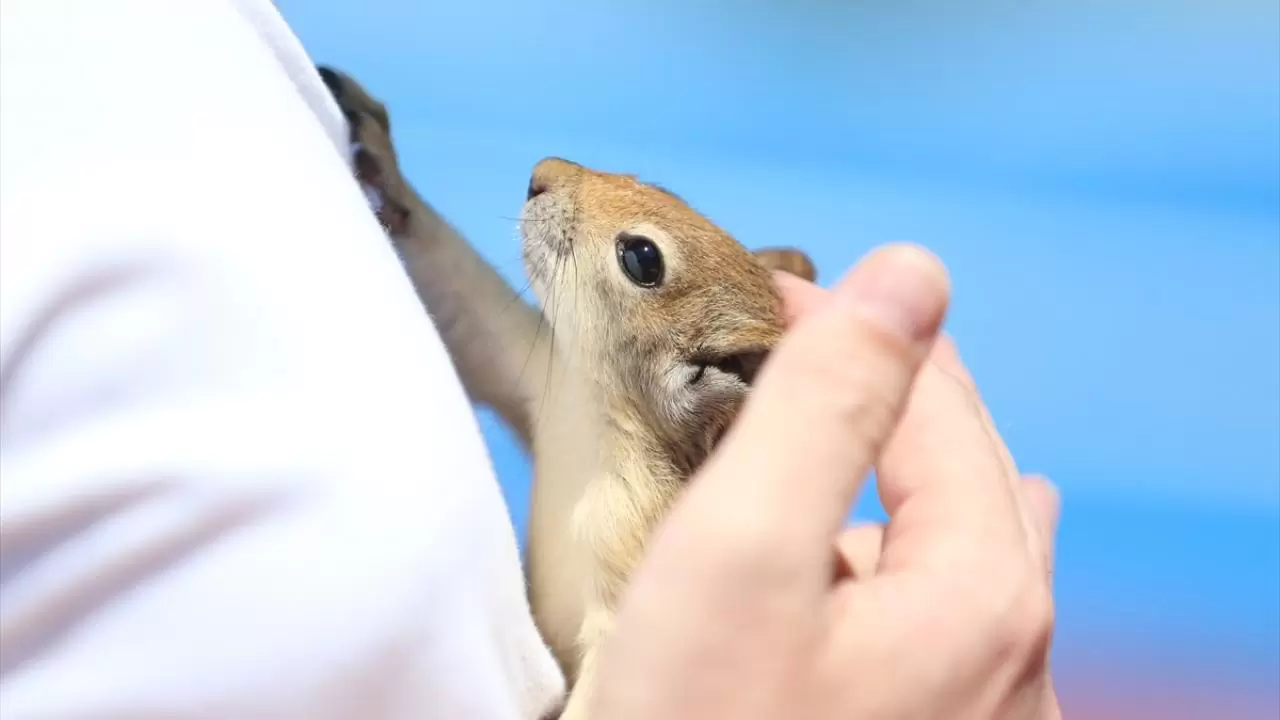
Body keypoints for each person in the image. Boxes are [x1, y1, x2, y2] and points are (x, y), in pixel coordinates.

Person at [0, 0, 1061, 718]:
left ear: (705, 385)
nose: (552, 179)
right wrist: (405, 209)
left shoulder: (658, 527)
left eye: (634, 260)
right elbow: (495, 342)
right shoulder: (589, 406)